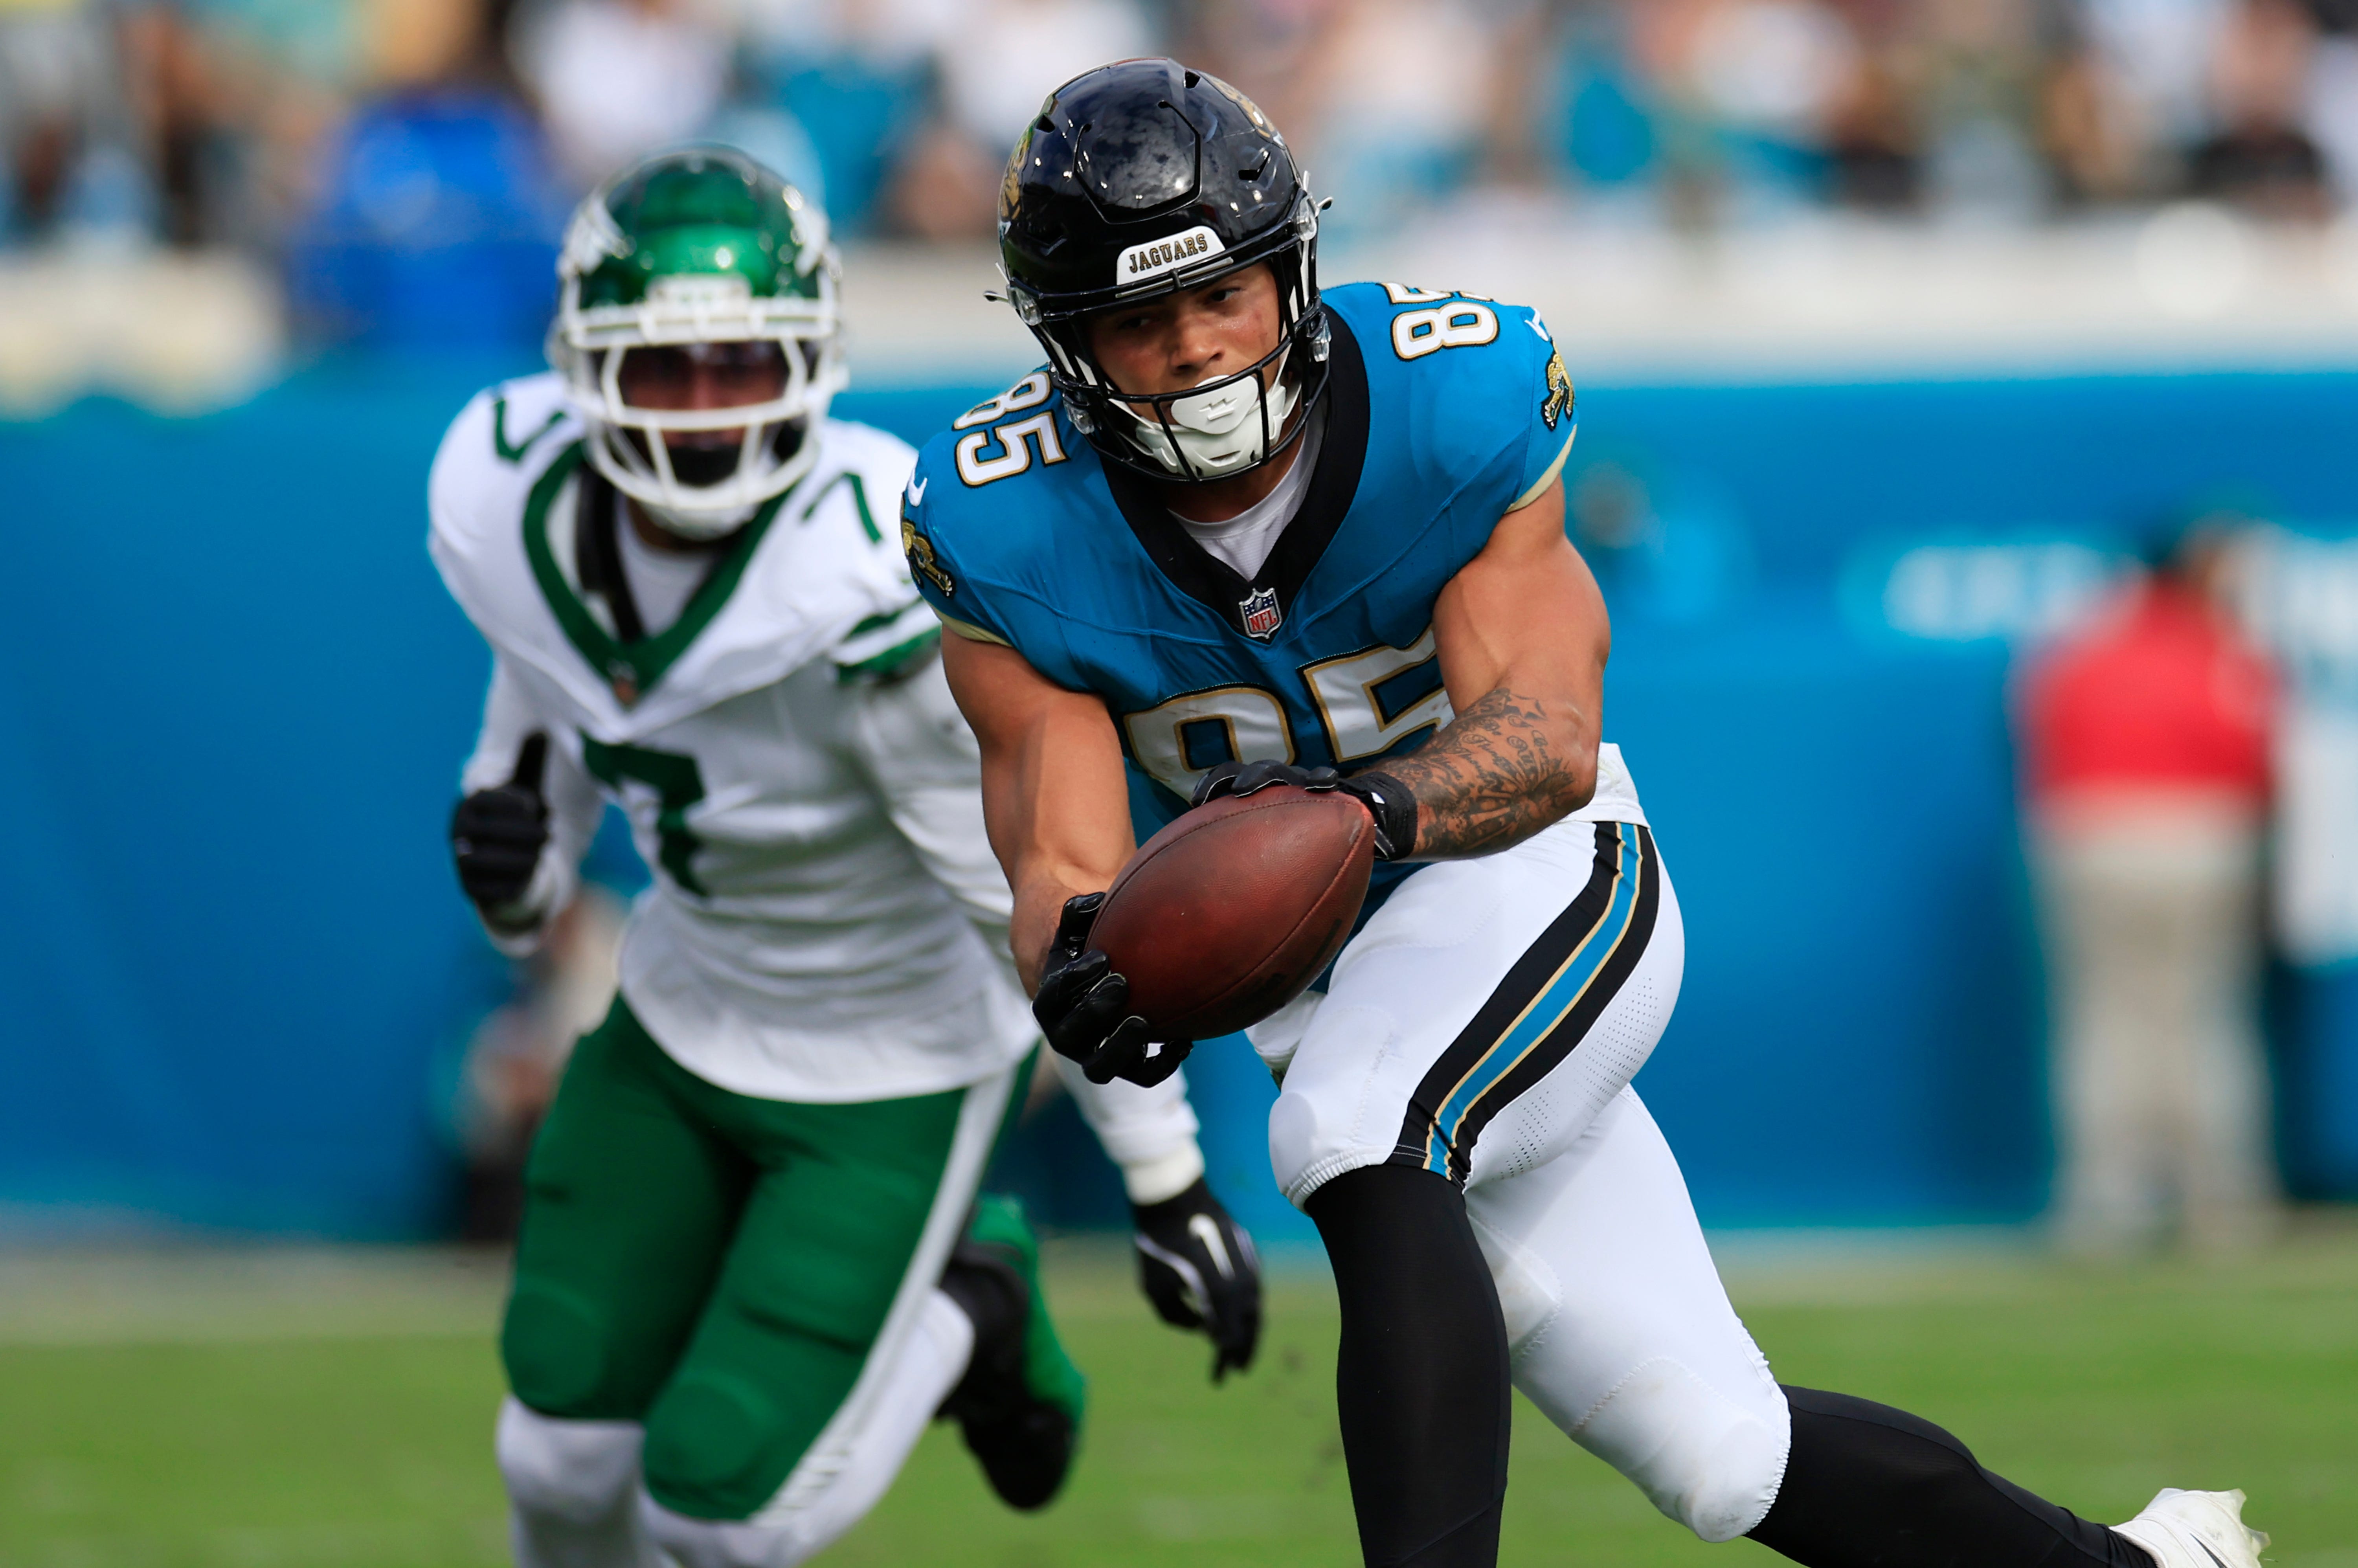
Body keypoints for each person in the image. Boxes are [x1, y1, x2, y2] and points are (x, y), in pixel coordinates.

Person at [900, 57, 2269, 1568]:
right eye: (1138, 323)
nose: (1198, 350)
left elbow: (1545, 743)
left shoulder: (1448, 395)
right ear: (1065, 348)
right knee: (1726, 1457)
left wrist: (1351, 815)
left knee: (1360, 1129)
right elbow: (1058, 857)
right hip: (1334, 983)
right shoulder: (1002, 516)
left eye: (1221, 295)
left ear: (1291, 267)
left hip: (1535, 878)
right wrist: (1088, 959)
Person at [427, 146, 1262, 1568]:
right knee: (555, 1447)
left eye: (739, 365)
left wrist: (1165, 1178)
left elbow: (1032, 885)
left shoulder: (876, 561)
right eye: (665, 369)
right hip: (684, 1007)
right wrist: (516, 845)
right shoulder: (502, 494)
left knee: (721, 1516)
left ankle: (971, 1308)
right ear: (584, 365)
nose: (703, 413)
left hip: (898, 1056)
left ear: (810, 358)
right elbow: (549, 694)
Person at [2018, 523, 2282, 1255]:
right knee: (2200, 1012)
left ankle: (2110, 1198)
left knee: (2109, 1017)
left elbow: (2034, 734)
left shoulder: (2081, 645)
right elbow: (2255, 751)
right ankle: (2221, 1197)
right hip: (2197, 835)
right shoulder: (2220, 649)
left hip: (2092, 834)